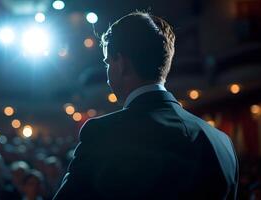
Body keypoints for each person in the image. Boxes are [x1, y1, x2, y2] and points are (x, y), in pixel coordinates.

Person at [53, 11, 238, 200]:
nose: (107, 72)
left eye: (108, 62)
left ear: (122, 64)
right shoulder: (222, 142)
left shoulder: (102, 134)